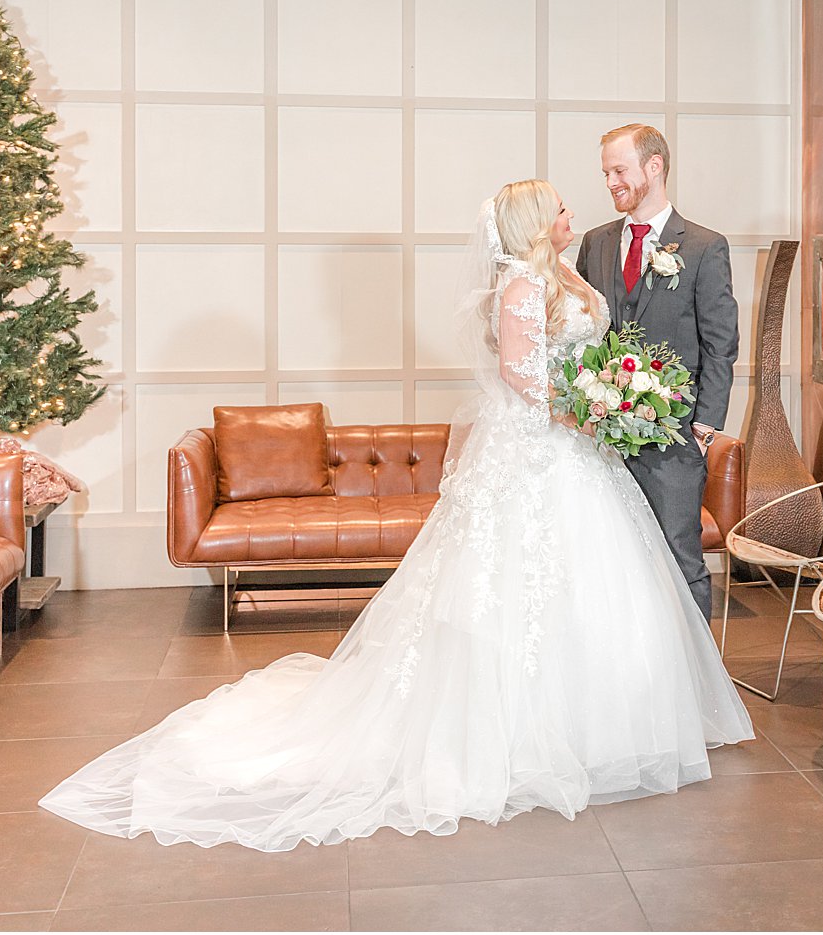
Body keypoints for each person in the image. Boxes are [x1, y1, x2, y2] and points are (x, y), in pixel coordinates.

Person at [39, 180, 754, 853]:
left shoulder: (569, 273)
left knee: (598, 588)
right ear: (537, 224)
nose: (573, 215)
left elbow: (588, 352)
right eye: (561, 210)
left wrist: (615, 392)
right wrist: (592, 412)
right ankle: (515, 736)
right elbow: (523, 378)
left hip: (581, 456)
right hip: (540, 449)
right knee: (514, 588)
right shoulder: (519, 287)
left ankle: (610, 726)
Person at [577, 125, 738, 623]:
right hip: (602, 437)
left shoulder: (704, 247)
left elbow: (720, 342)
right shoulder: (596, 243)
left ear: (654, 167)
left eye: (619, 170)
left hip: (673, 437)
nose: (611, 182)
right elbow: (585, 333)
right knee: (612, 561)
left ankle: (698, 685)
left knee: (679, 557)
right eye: (606, 172)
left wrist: (705, 423)